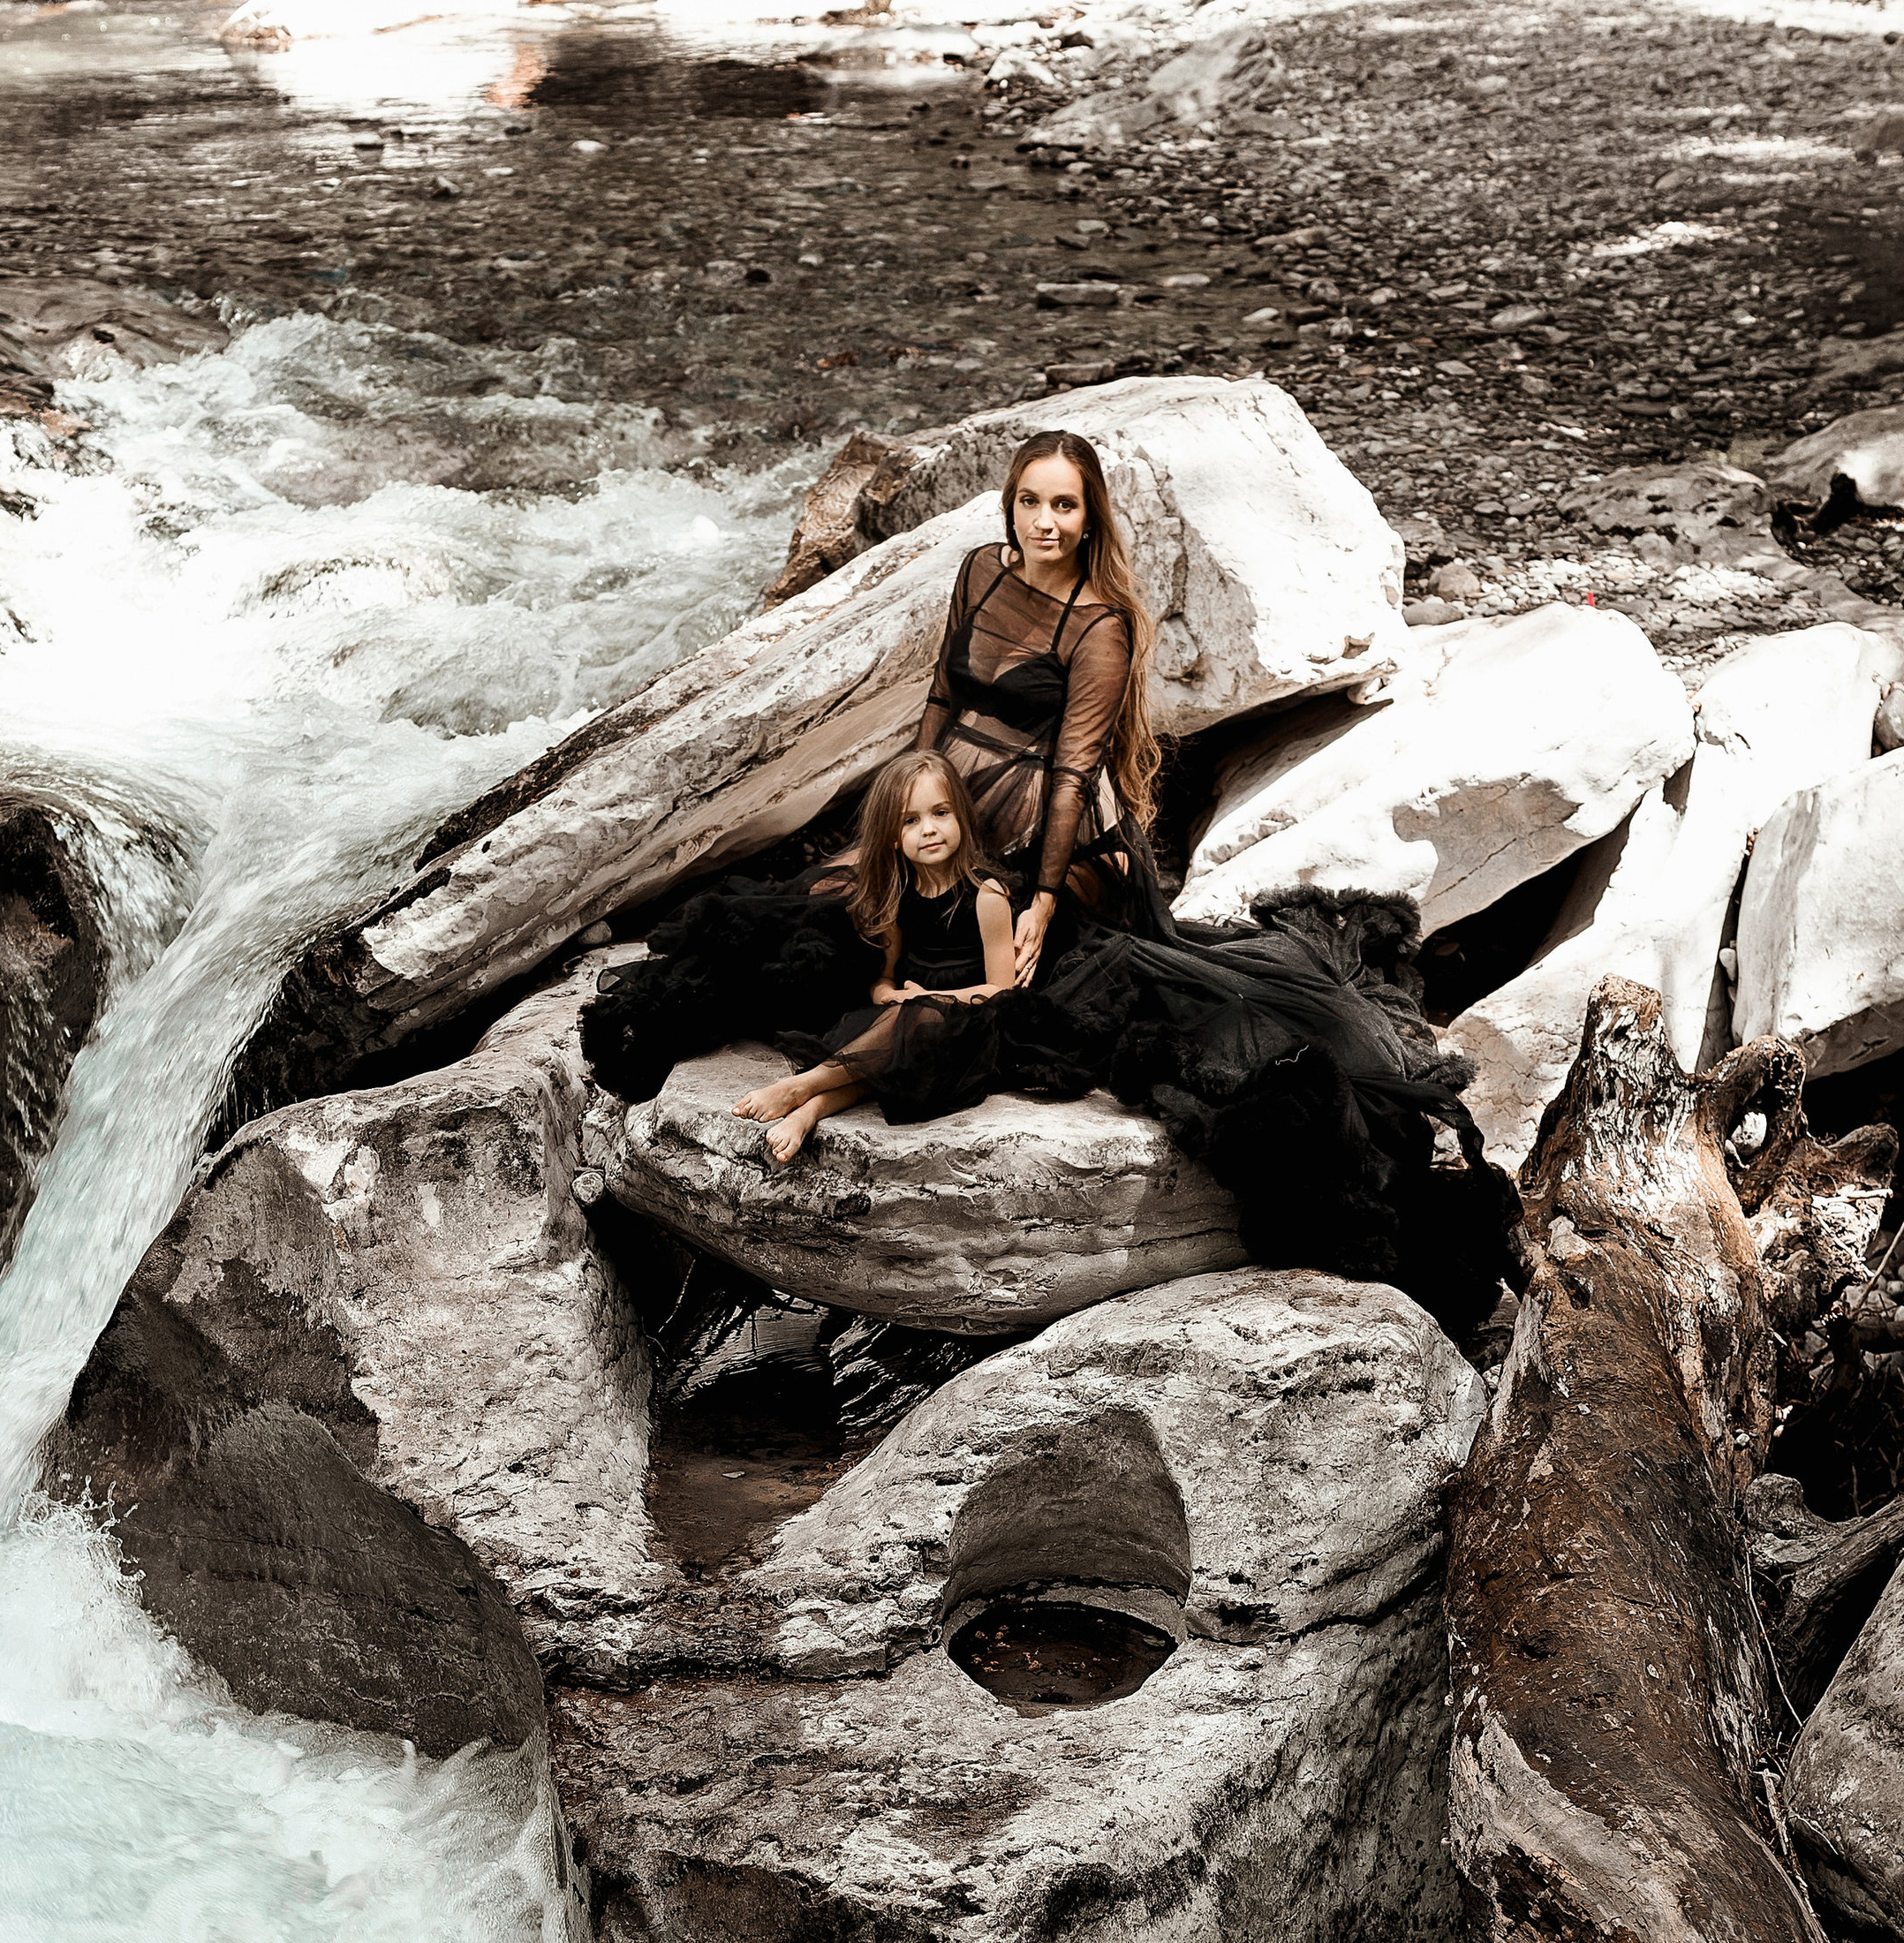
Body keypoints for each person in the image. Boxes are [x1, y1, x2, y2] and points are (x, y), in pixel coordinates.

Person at [582, 431, 1515, 1338]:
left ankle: (866, 1060)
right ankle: (847, 1050)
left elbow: (1072, 771)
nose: (1044, 521)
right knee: (819, 922)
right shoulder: (981, 570)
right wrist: (905, 802)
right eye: (1030, 501)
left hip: (1045, 835)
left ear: (1088, 514)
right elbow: (942, 702)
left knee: (1052, 990)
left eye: (1063, 505)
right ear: (1010, 505)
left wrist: (1035, 898)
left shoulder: (1099, 623)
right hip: (948, 791)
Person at [732, 751, 1015, 1164]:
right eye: (911, 820)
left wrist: (927, 1003)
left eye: (940, 812)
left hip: (972, 1024)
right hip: (905, 1018)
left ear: (962, 818)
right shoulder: (898, 898)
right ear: (891, 837)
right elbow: (882, 979)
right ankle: (809, 1112)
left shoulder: (987, 896)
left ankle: (803, 1090)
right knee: (887, 1055)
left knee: (918, 1029)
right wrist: (892, 998)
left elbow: (1002, 990)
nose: (930, 829)